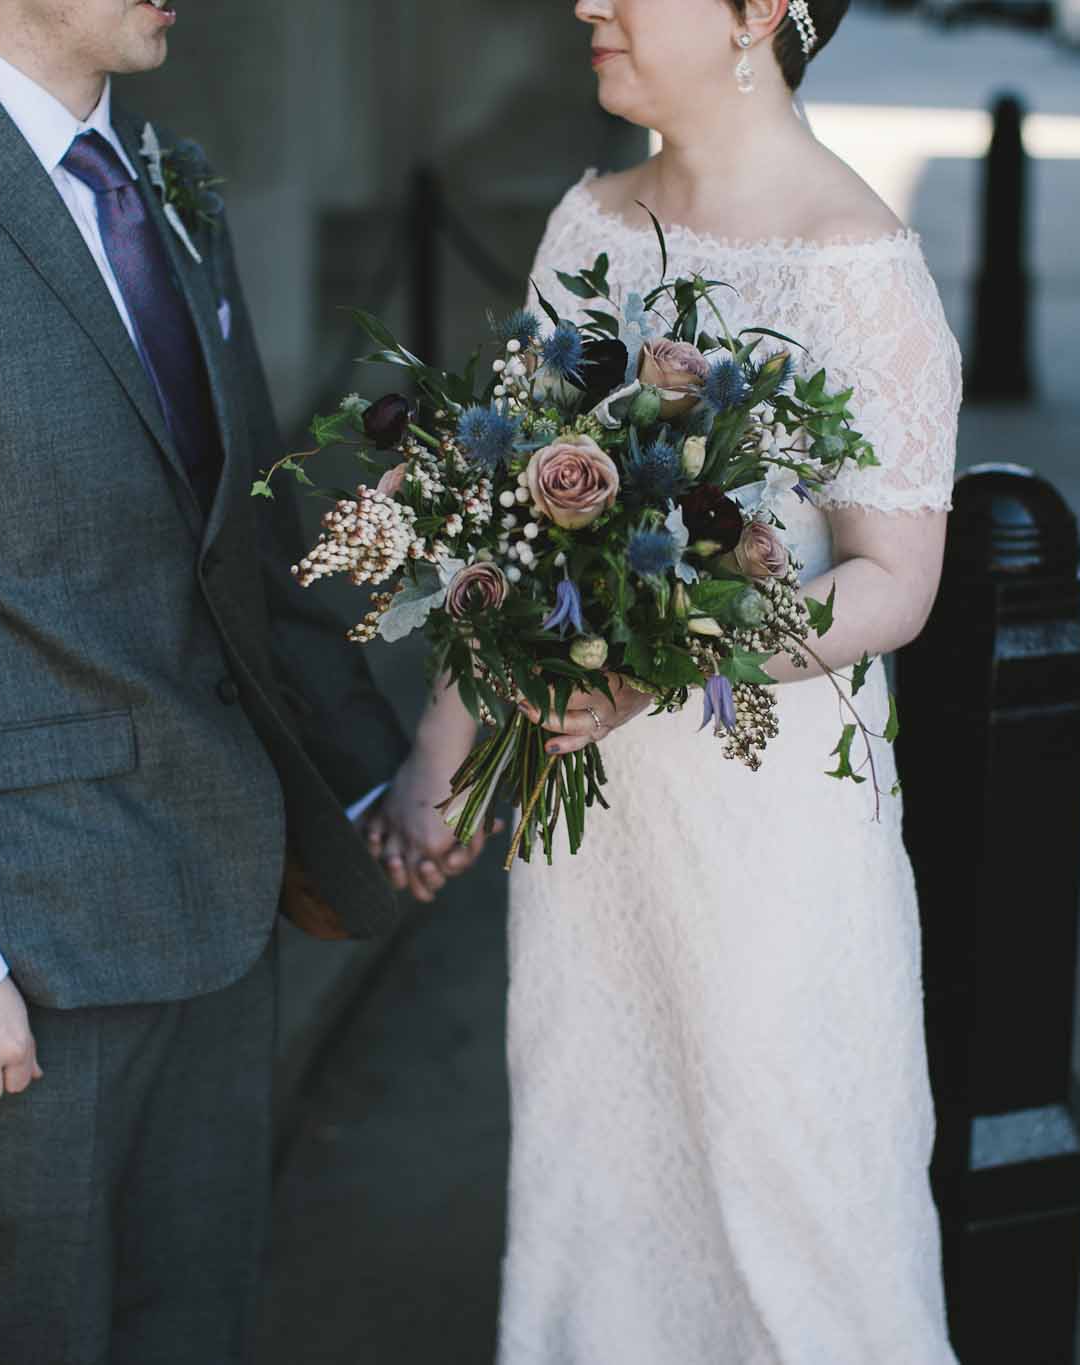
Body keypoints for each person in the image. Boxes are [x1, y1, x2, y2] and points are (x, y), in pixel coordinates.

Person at [0, 2, 490, 1359]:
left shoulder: (163, 176)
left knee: (190, 1323)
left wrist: (375, 776)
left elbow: (239, 545)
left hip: (223, 896)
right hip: (23, 944)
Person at [366, 0, 966, 1359]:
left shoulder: (853, 258)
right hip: (597, 844)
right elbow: (499, 531)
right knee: (602, 1171)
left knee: (801, 1204)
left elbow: (893, 583)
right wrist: (440, 763)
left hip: (767, 841)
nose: (592, 1)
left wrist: (667, 660)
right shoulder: (589, 220)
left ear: (762, 12)